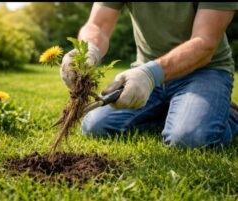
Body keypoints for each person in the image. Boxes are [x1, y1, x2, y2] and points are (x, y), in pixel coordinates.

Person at [60, 2, 238, 148]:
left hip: (204, 71)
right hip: (142, 74)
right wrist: (89, 50)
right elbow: (98, 24)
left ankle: (227, 114)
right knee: (95, 127)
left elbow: (205, 42)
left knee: (189, 140)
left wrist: (150, 74)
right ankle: (181, 111)